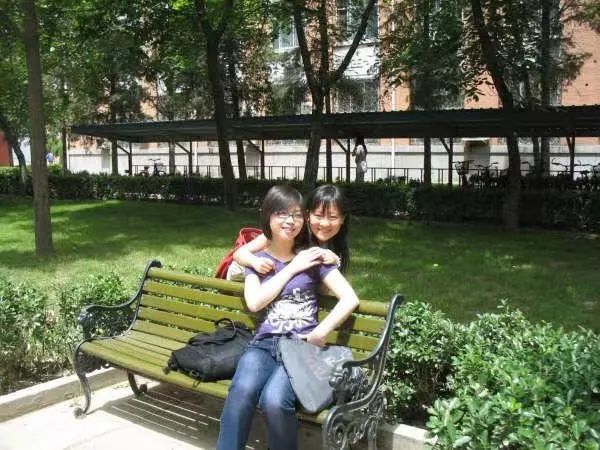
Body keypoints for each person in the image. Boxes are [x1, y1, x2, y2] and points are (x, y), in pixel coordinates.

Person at [216, 185, 359, 450]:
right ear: (267, 217)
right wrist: (292, 268)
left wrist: (320, 332)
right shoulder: (259, 261)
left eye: (295, 215)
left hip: (300, 347)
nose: (289, 221)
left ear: (302, 218)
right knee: (242, 391)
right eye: (281, 214)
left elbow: (349, 297)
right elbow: (254, 302)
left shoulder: (314, 257)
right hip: (264, 344)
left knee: (274, 400)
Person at [227, 184, 349, 280]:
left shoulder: (334, 244)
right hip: (241, 279)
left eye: (333, 217)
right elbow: (239, 254)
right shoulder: (289, 232)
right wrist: (254, 262)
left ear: (343, 219)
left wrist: (335, 260)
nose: (325, 223)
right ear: (308, 215)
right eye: (318, 215)